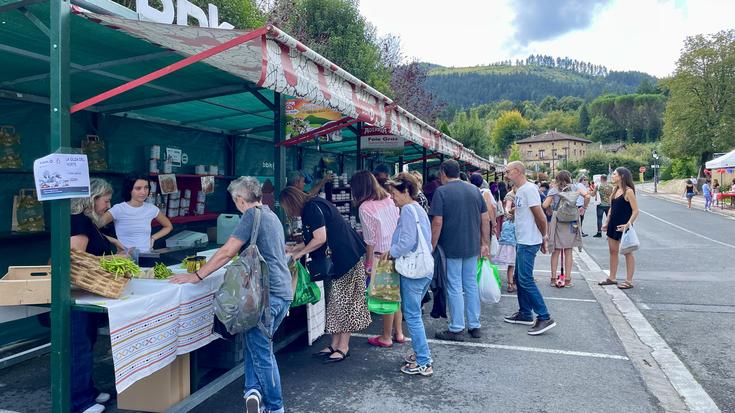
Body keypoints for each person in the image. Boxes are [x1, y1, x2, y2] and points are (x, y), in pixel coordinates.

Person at [171, 177, 292, 413]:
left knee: (262, 351)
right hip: (280, 291)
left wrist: (197, 276)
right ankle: (253, 392)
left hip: (266, 297)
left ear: (239, 199)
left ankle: (275, 406)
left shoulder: (250, 215)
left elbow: (227, 251)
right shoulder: (270, 214)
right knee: (254, 345)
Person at [279, 186, 369, 362]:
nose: (287, 211)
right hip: (338, 261)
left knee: (344, 304)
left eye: (286, 207)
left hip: (345, 259)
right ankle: (335, 344)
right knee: (335, 304)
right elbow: (313, 238)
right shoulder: (312, 207)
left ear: (291, 203)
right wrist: (295, 248)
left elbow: (319, 239)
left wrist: (298, 254)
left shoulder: (312, 208)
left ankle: (343, 346)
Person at [69, 178, 123, 413]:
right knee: (78, 346)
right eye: (106, 200)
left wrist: (113, 243)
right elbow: (77, 258)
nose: (108, 206)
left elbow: (96, 243)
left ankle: (87, 391)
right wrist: (113, 260)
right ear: (92, 199)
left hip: (88, 293)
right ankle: (79, 402)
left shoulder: (88, 223)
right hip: (76, 295)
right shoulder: (79, 222)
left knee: (87, 342)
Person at [429, 160, 490, 341]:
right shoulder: (474, 190)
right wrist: (484, 242)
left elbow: (437, 222)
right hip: (472, 245)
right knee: (470, 284)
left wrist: (431, 246)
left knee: (454, 286)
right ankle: (474, 324)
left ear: (443, 173)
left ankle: (456, 327)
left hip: (451, 246)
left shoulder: (441, 192)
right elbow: (485, 219)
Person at [384, 173, 434, 376]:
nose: (392, 198)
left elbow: (407, 242)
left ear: (405, 191)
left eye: (394, 193)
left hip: (413, 271)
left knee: (412, 316)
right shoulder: (418, 208)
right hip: (424, 269)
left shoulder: (407, 210)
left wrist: (392, 252)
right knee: (414, 315)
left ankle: (423, 361)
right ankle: (420, 353)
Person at [350, 171, 402, 348]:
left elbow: (370, 239)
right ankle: (399, 333)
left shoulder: (365, 208)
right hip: (396, 250)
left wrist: (368, 263)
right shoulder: (388, 197)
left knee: (386, 297)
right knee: (395, 295)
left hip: (381, 254)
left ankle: (386, 337)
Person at [502, 161, 556, 335]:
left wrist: (544, 237)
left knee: (525, 279)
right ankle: (525, 313)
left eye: (508, 171)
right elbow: (525, 210)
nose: (505, 174)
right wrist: (512, 214)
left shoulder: (529, 189)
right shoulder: (522, 190)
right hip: (524, 239)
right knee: (520, 277)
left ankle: (544, 316)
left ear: (517, 171)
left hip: (528, 241)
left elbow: (539, 215)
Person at [99, 175, 172, 253]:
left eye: (146, 187)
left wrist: (153, 238)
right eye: (138, 188)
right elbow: (92, 229)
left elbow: (168, 226)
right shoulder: (118, 209)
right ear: (130, 190)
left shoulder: (151, 209)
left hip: (147, 256)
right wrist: (114, 241)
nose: (143, 192)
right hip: (125, 259)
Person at [543, 171, 588, 287]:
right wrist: (583, 207)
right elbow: (587, 196)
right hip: (572, 221)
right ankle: (568, 280)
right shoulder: (575, 187)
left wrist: (549, 210)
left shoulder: (554, 189)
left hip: (558, 220)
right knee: (568, 251)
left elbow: (544, 205)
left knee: (556, 251)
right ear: (570, 178)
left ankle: (553, 279)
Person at [598, 167, 640, 290]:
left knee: (627, 252)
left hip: (624, 226)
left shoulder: (629, 191)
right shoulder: (615, 190)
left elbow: (636, 211)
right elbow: (612, 208)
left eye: (615, 174)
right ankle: (612, 277)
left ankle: (629, 280)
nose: (612, 176)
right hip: (613, 224)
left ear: (621, 176)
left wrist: (628, 225)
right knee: (612, 251)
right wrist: (607, 221)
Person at [470, 173, 497, 244]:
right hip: (484, 222)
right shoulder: (485, 193)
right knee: (485, 243)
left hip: (472, 222)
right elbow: (490, 208)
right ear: (482, 182)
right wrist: (494, 224)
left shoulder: (468, 192)